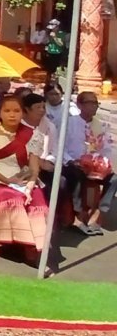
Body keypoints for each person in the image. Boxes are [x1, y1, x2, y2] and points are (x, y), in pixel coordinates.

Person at [0, 95, 49, 262]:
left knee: (38, 203)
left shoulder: (32, 134)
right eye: (7, 110)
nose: (12, 115)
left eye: (16, 111)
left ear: (22, 113)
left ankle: (33, 248)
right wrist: (7, 181)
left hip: (22, 179)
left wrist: (29, 188)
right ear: (0, 112)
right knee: (11, 200)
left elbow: (33, 168)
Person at [63, 92, 112, 235]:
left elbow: (107, 147)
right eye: (89, 103)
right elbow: (60, 148)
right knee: (78, 176)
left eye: (96, 103)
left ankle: (99, 214)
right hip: (73, 163)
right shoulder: (69, 123)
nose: (93, 106)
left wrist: (103, 163)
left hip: (96, 166)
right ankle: (78, 217)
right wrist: (72, 161)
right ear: (79, 105)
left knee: (114, 179)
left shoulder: (100, 125)